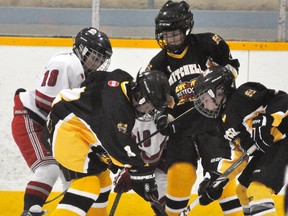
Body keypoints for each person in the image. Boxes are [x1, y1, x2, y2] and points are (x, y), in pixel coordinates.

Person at [145, 1, 243, 215]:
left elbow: (232, 69)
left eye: (175, 34)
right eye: (166, 34)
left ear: (187, 28)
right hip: (181, 129)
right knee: (181, 174)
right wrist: (161, 116)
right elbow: (153, 100)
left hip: (214, 124)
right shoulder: (157, 64)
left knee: (220, 182)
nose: (170, 39)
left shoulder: (209, 44)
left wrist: (224, 77)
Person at [11, 27, 112, 216]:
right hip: (32, 120)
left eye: (101, 60)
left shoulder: (85, 74)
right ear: (82, 49)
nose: (97, 63)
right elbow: (43, 100)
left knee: (74, 175)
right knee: (49, 168)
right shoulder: (66, 63)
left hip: (55, 129)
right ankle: (29, 212)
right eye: (95, 56)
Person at [41, 70, 171, 215]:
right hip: (66, 128)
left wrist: (89, 104)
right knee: (88, 185)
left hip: (78, 126)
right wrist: (141, 178)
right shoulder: (118, 112)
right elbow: (119, 150)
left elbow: (96, 77)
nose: (149, 111)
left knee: (103, 181)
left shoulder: (124, 79)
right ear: (140, 95)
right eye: (149, 106)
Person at [194, 66, 288, 216]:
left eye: (205, 99)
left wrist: (266, 119)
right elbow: (237, 156)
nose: (204, 105)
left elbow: (282, 99)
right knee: (242, 190)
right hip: (268, 151)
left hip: (283, 140)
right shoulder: (222, 123)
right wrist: (217, 181)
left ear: (219, 90)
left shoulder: (242, 97)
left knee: (257, 190)